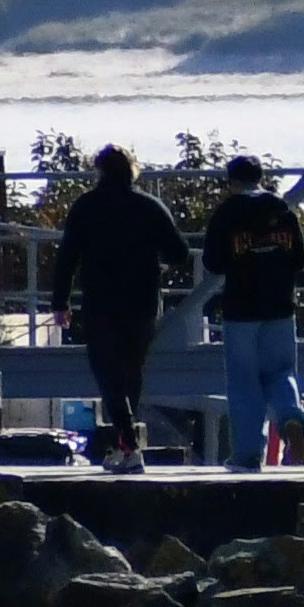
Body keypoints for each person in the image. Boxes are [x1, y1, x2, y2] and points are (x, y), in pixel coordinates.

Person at [53, 145, 195, 470]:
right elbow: (179, 251)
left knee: (107, 373)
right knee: (132, 372)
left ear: (99, 171)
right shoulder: (149, 206)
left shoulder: (86, 206)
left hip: (101, 302)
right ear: (132, 169)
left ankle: (128, 444)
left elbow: (67, 258)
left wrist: (60, 302)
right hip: (142, 301)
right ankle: (126, 445)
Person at [197, 153, 304, 470]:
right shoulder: (282, 209)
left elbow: (212, 262)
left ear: (232, 181)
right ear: (260, 177)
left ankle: (248, 453)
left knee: (243, 381)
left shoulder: (228, 211)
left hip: (241, 308)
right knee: (281, 373)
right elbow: (299, 261)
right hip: (280, 306)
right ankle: (291, 419)